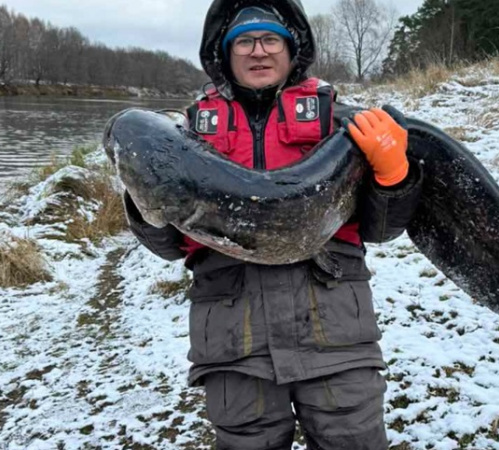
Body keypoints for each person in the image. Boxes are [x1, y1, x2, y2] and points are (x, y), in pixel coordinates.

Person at [122, 1, 422, 448]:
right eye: (243, 41)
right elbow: (169, 244)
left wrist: (395, 178)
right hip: (233, 342)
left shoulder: (344, 124)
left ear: (291, 48)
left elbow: (380, 229)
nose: (257, 51)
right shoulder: (186, 133)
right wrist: (141, 188)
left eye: (270, 39)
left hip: (335, 331)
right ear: (225, 53)